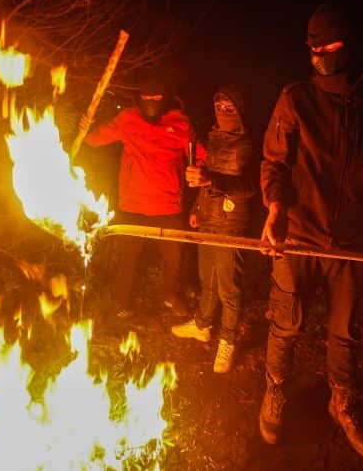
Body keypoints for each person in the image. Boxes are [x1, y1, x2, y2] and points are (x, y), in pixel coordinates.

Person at [257, 0, 363, 459]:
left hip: (355, 243)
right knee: (283, 323)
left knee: (346, 331)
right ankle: (276, 392)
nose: (320, 53)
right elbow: (274, 161)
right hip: (298, 237)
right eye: (313, 46)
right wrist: (273, 208)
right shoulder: (296, 98)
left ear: (352, 43)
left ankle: (343, 403)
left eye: (330, 43)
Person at [84, 69, 203, 319]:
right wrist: (85, 126)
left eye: (157, 98)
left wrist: (200, 169)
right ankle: (120, 301)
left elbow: (200, 155)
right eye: (146, 98)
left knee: (174, 257)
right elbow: (93, 139)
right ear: (139, 99)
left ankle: (169, 294)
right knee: (127, 258)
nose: (151, 103)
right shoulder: (127, 119)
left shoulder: (180, 123)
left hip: (168, 204)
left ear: (166, 98)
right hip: (133, 204)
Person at [170, 85, 259, 373]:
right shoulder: (214, 138)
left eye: (229, 109)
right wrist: (197, 208)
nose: (222, 113)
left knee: (229, 288)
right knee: (206, 280)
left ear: (241, 111)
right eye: (219, 108)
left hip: (232, 225)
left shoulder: (248, 145)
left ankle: (228, 342)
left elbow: (250, 188)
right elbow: (205, 177)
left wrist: (212, 181)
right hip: (208, 219)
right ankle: (202, 325)